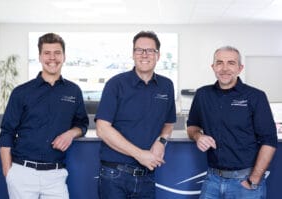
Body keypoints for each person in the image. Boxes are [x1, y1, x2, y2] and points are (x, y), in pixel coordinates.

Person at [0, 33, 89, 199]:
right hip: (22, 173)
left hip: (56, 175)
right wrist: (8, 172)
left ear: (64, 56)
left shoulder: (73, 91)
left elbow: (82, 123)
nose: (52, 58)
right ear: (40, 56)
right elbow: (6, 132)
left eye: (57, 53)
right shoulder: (21, 92)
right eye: (47, 53)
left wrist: (71, 133)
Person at [187, 46, 277, 198]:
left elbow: (269, 141)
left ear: (240, 68)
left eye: (231, 63)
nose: (224, 68)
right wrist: (198, 136)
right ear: (213, 67)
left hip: (245, 182)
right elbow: (192, 126)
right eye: (219, 62)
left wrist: (253, 180)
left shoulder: (256, 97)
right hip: (212, 180)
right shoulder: (202, 94)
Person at [95, 31, 176, 199]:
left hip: (147, 176)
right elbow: (102, 129)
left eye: (150, 50)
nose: (144, 55)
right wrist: (140, 154)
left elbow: (169, 123)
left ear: (158, 55)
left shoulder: (166, 86)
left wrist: (162, 141)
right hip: (114, 175)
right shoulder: (116, 84)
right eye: (139, 50)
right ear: (133, 54)